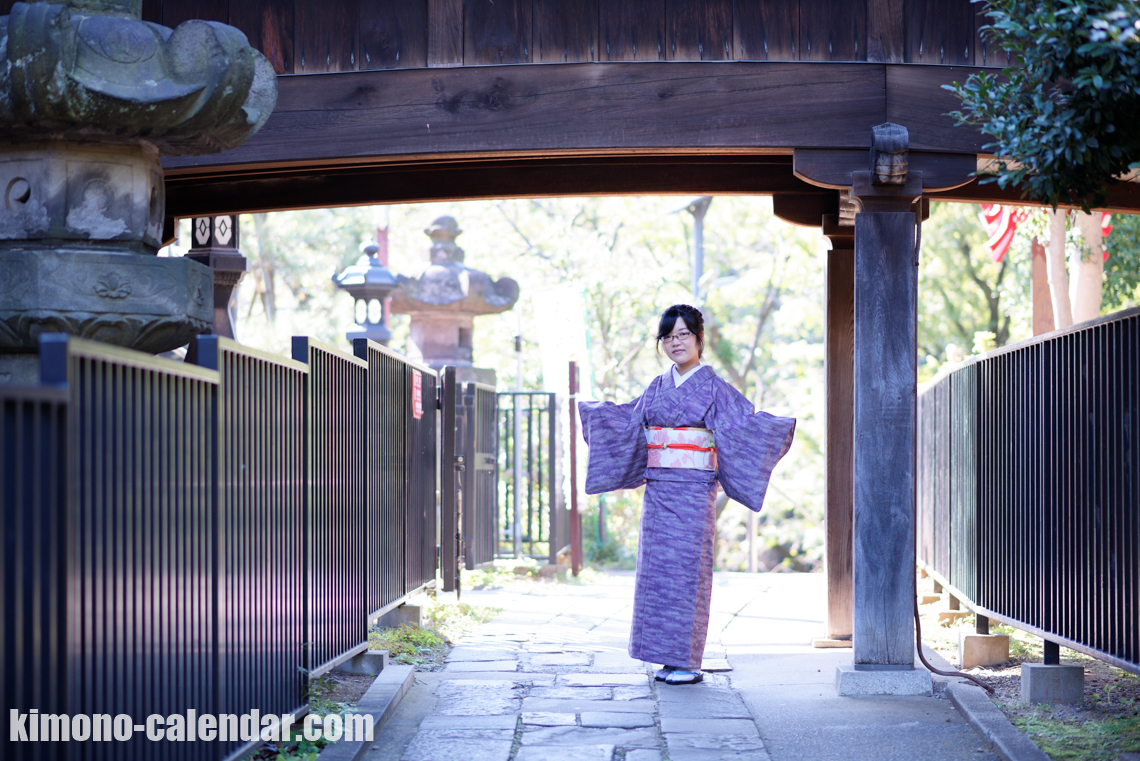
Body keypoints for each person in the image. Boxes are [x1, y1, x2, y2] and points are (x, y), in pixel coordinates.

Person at [578, 304, 796, 685]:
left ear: (699, 338)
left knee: (686, 572)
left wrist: (774, 427)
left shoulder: (713, 388)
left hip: (694, 494)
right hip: (659, 491)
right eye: (668, 336)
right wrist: (594, 413)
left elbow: (743, 427)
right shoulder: (657, 388)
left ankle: (686, 661)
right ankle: (665, 657)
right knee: (657, 573)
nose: (675, 342)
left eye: (683, 334)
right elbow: (630, 422)